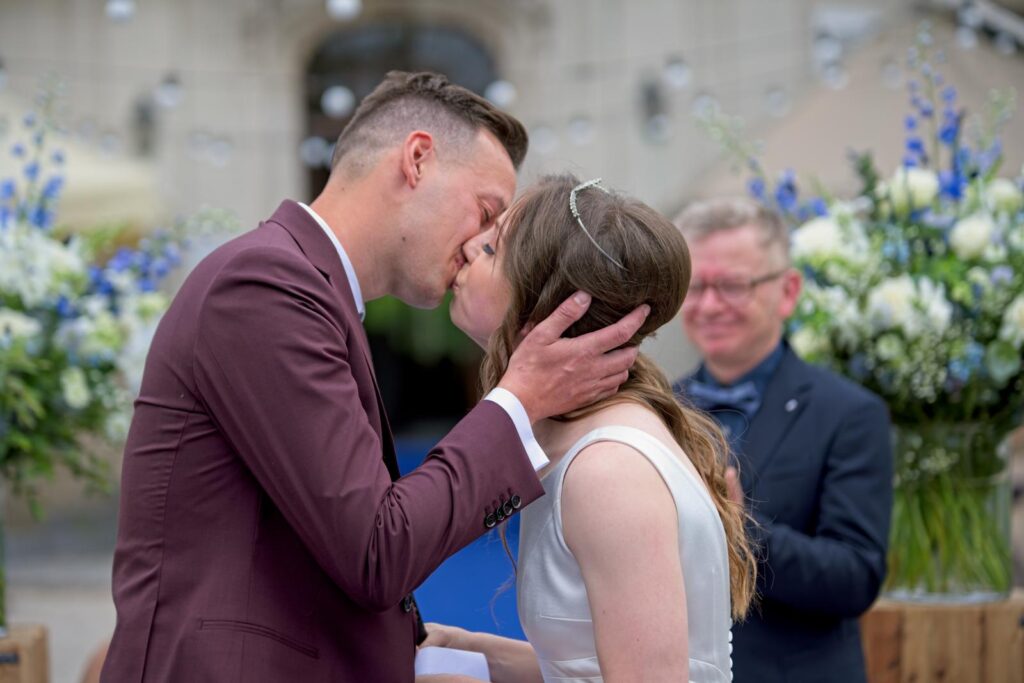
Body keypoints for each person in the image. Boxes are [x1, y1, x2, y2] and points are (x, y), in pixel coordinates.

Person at [101, 73, 649, 683]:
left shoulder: (307, 289)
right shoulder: (263, 286)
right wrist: (519, 401)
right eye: (486, 212)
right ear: (417, 160)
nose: (476, 248)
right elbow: (376, 550)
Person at [423, 175, 757, 683]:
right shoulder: (573, 438)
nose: (468, 247)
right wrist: (463, 649)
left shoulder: (607, 470)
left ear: (545, 306)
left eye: (491, 249)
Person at [672, 197, 893, 683]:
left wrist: (741, 529)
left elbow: (856, 578)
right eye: (696, 287)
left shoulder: (850, 413)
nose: (709, 305)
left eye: (731, 285)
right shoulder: (657, 409)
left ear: (787, 291)